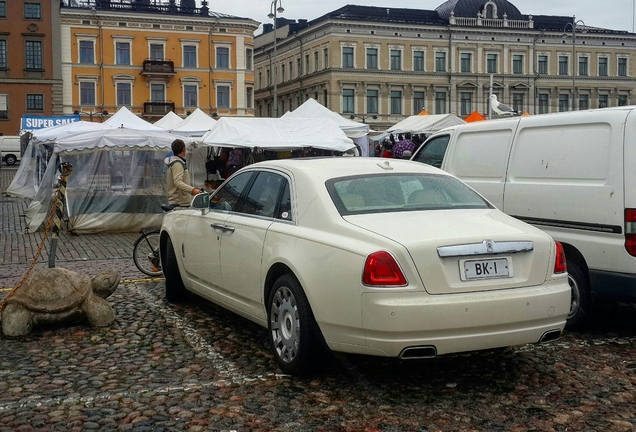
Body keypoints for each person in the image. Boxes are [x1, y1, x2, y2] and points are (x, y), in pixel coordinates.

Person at [166, 139, 200, 207]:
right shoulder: (177, 164)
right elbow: (178, 182)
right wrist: (192, 190)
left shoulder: (176, 163)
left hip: (179, 202)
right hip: (179, 203)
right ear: (184, 149)